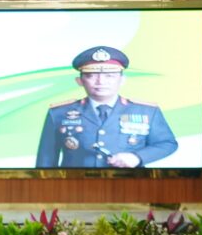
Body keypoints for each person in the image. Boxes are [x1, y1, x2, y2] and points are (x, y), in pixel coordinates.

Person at [35, 46, 177, 168]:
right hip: (75, 185)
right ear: (80, 81)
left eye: (109, 76)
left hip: (131, 184)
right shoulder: (59, 112)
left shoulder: (147, 111)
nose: (101, 82)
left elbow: (167, 143)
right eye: (92, 76)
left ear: (122, 80)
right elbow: (46, 157)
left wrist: (137, 157)